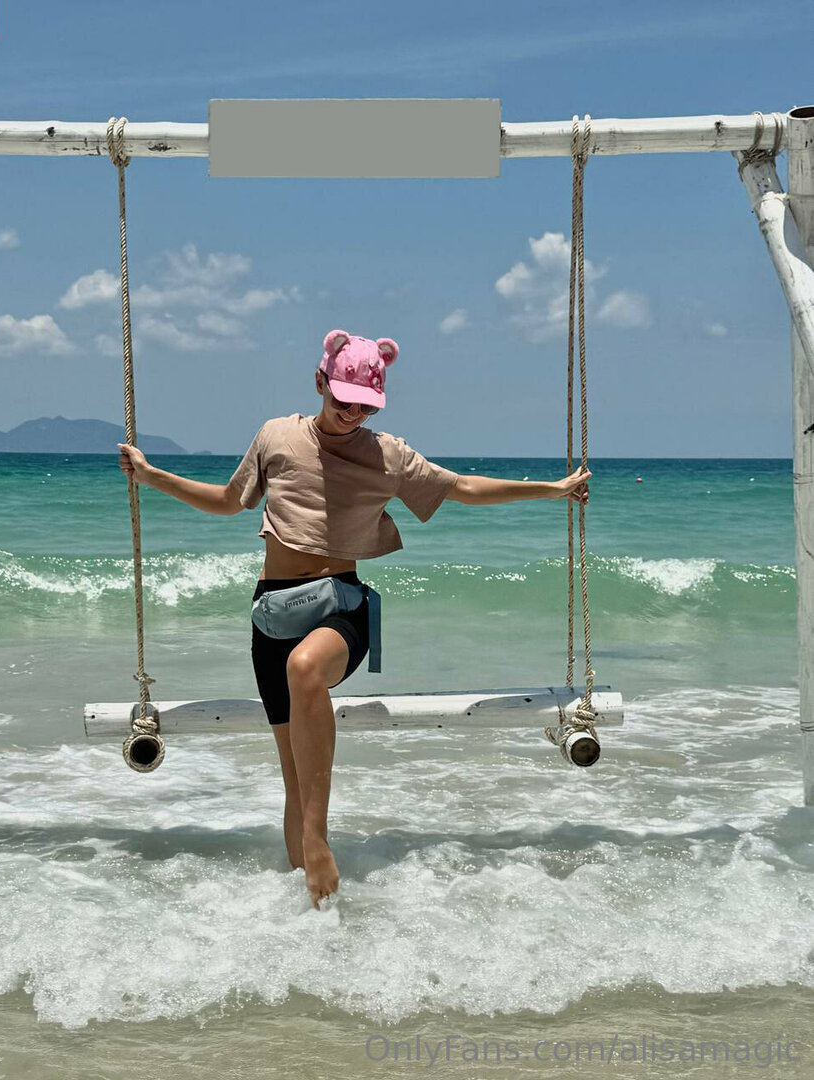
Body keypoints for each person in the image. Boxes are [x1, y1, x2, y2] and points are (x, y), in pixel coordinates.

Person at [118, 329, 590, 907]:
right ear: (320, 382)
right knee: (295, 781)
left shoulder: (387, 456)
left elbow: (463, 487)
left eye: (367, 406)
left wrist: (552, 490)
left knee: (305, 668)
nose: (353, 414)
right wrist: (151, 476)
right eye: (344, 400)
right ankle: (313, 922)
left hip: (341, 607)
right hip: (272, 614)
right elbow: (227, 501)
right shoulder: (276, 436)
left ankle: (318, 840)